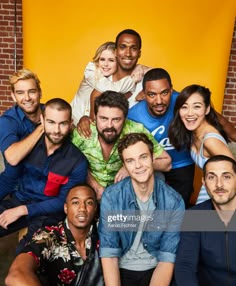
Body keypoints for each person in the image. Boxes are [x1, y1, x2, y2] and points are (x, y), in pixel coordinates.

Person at [98, 132, 185, 286]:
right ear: (125, 166)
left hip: (155, 271)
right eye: (130, 161)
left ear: (153, 157)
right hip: (121, 270)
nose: (138, 166)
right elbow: (109, 254)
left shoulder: (173, 202)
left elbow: (166, 259)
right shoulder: (112, 198)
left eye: (143, 157)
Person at [5, 183, 103, 286]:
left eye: (89, 202)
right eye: (75, 202)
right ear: (66, 208)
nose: (82, 208)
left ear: (95, 208)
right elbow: (15, 277)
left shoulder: (105, 235)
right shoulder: (49, 235)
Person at [0, 98, 87, 253]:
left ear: (71, 123)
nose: (56, 130)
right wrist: (17, 207)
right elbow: (9, 178)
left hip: (48, 213)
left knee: (26, 256)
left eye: (63, 123)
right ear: (42, 120)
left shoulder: (77, 161)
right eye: (51, 122)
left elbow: (63, 201)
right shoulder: (26, 147)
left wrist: (23, 210)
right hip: (18, 200)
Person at [71, 91, 171, 200]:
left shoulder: (136, 130)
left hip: (125, 195)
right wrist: (93, 183)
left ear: (125, 118)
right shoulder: (84, 132)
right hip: (89, 194)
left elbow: (166, 162)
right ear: (95, 116)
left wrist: (130, 167)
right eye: (103, 118)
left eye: (116, 119)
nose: (109, 125)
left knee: (157, 177)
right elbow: (67, 161)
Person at [175, 155, 236, 286]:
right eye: (211, 177)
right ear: (204, 181)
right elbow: (185, 267)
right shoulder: (196, 216)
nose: (219, 184)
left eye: (226, 176)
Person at [128, 68, 195, 207]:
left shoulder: (183, 102)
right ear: (143, 94)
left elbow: (208, 113)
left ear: (171, 90)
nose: (159, 101)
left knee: (180, 208)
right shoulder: (133, 115)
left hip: (182, 163)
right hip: (152, 166)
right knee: (152, 209)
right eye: (152, 94)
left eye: (164, 93)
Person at [169, 84, 235, 204]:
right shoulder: (193, 132)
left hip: (218, 198)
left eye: (197, 107)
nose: (189, 113)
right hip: (207, 192)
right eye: (184, 107)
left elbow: (233, 173)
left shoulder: (210, 140)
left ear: (207, 109)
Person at [77, 29, 150, 137]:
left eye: (133, 48)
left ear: (139, 53)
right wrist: (84, 118)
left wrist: (151, 92)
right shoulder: (101, 80)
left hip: (139, 142)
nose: (128, 53)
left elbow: (168, 93)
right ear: (115, 52)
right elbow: (94, 124)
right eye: (123, 47)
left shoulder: (148, 82)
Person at [71, 41, 147, 124]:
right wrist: (136, 72)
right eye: (102, 59)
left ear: (119, 62)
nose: (105, 64)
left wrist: (141, 67)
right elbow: (111, 89)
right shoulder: (91, 70)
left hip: (90, 126)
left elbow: (156, 74)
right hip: (72, 120)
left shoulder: (112, 77)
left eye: (111, 60)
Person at [0, 68, 44, 199]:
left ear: (40, 93)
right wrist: (43, 127)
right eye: (20, 93)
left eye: (32, 92)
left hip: (43, 184)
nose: (27, 98)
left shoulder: (51, 110)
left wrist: (83, 120)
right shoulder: (7, 121)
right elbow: (13, 158)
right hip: (13, 188)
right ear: (13, 96)